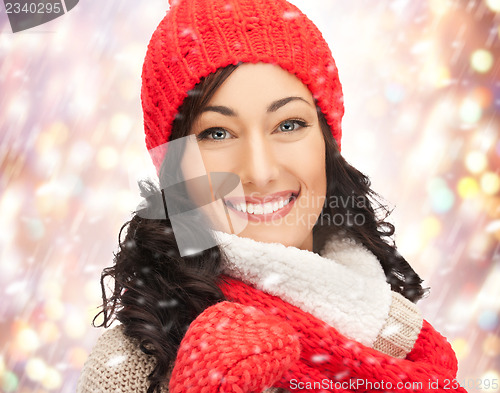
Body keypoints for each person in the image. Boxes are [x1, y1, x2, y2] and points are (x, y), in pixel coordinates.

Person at [77, 0, 468, 392]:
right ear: (175, 169)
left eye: (289, 124)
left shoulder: (396, 331)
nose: (260, 172)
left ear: (326, 145)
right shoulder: (128, 366)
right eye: (216, 133)